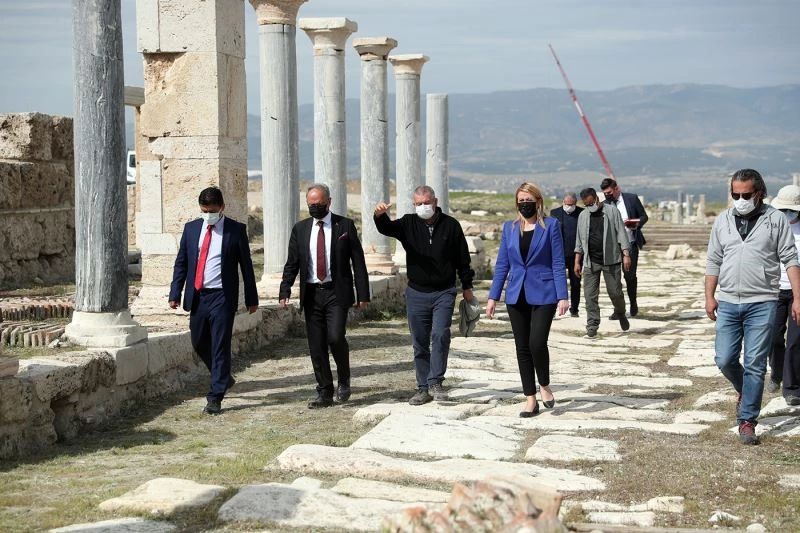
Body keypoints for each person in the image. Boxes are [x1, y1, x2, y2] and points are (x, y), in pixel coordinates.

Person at [705, 169, 800, 445]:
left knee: (755, 364)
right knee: (723, 359)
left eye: (746, 194)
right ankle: (744, 390)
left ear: (759, 192)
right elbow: (713, 261)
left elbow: (790, 260)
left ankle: (747, 421)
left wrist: (797, 297)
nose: (741, 199)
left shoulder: (775, 220)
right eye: (736, 194)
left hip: (762, 301)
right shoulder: (722, 220)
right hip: (729, 301)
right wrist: (710, 296)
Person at [374, 185, 474, 405]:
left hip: (444, 291)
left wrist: (467, 286)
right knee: (419, 342)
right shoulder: (408, 223)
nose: (423, 207)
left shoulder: (451, 225)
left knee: (440, 335)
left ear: (435, 201)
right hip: (417, 292)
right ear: (414, 205)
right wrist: (379, 215)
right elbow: (387, 228)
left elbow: (462, 258)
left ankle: (436, 381)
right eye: (418, 204)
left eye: (426, 203)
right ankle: (423, 388)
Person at [169, 186, 259, 415]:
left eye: (212, 210)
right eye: (204, 210)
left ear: (222, 208)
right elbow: (182, 263)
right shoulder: (191, 229)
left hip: (222, 296)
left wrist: (251, 297)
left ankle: (215, 396)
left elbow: (246, 267)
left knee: (220, 345)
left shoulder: (235, 230)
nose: (208, 213)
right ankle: (223, 377)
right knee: (199, 341)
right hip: (198, 295)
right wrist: (175, 292)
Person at [280, 184, 370, 409]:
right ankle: (324, 391)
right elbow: (292, 263)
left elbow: (358, 262)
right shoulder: (300, 229)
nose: (314, 208)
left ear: (329, 202)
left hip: (336, 292)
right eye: (310, 205)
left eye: (318, 204)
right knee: (316, 345)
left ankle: (344, 380)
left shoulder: (344, 226)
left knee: (336, 337)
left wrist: (363, 293)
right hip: (311, 294)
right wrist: (285, 288)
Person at [486, 182, 569, 417]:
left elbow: (557, 262)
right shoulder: (509, 228)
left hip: (544, 293)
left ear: (538, 201)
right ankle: (530, 399)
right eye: (520, 201)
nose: (524, 204)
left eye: (528, 200)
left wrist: (562, 295)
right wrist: (493, 296)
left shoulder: (552, 226)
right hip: (516, 294)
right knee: (522, 348)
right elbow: (502, 264)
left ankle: (544, 385)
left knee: (537, 343)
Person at [574, 187, 631, 338]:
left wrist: (626, 254)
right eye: (586, 205)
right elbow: (579, 241)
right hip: (590, 262)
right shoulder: (583, 216)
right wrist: (577, 261)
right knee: (589, 296)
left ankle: (620, 312)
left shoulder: (612, 211)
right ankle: (592, 327)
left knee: (615, 292)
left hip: (611, 260)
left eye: (591, 203)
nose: (589, 206)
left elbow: (621, 233)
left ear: (597, 199)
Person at [768, 185, 800, 405]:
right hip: (775, 287)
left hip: (798, 289)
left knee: (796, 340)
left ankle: (792, 387)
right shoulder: (770, 225)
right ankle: (776, 373)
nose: (787, 214)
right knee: (773, 335)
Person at [600, 178, 648, 317]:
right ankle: (619, 309)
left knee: (629, 276)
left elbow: (644, 216)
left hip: (631, 243)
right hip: (613, 247)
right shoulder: (604, 205)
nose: (607, 195)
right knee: (614, 279)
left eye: (609, 192)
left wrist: (636, 223)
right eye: (605, 193)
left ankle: (633, 302)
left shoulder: (631, 199)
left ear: (616, 189)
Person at [550, 192, 584, 317]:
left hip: (576, 255)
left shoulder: (582, 213)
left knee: (575, 282)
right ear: (563, 202)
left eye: (571, 204)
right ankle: (553, 308)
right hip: (559, 254)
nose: (569, 206)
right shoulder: (555, 213)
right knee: (556, 281)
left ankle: (574, 309)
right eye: (566, 204)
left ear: (575, 203)